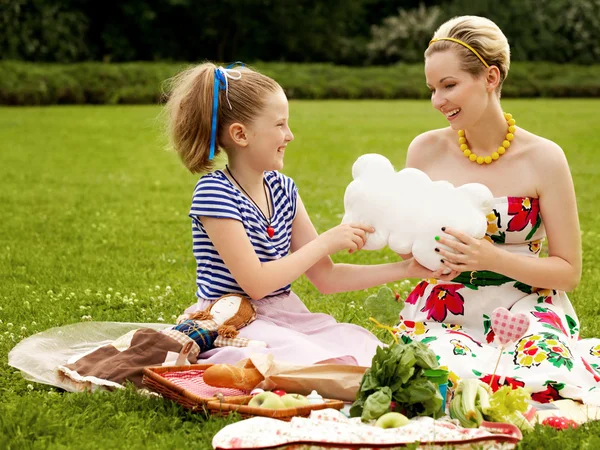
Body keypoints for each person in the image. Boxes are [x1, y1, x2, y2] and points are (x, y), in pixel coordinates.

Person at [163, 62, 454, 368]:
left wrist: (408, 269)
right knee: (317, 362)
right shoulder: (214, 193)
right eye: (279, 125)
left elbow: (327, 278)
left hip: (285, 315)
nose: (289, 135)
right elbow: (256, 284)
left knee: (365, 349)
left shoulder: (282, 189)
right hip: (232, 317)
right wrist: (325, 242)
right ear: (241, 134)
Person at [393, 15, 600, 403]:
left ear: (490, 77)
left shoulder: (544, 158)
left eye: (449, 85)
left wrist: (489, 257)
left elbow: (568, 273)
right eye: (432, 89)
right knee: (435, 373)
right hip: (446, 306)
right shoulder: (424, 150)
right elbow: (409, 247)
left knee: (546, 374)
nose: (438, 101)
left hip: (527, 304)